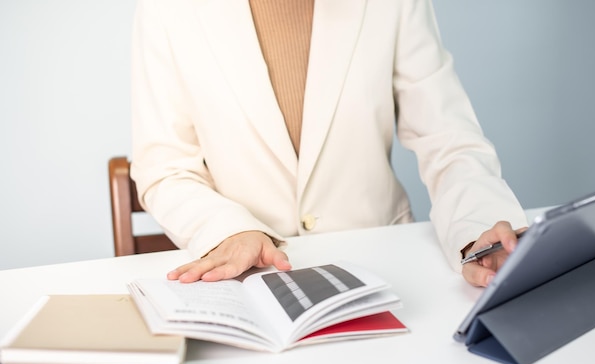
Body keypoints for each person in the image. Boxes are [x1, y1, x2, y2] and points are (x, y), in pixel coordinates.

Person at [130, 0, 528, 288]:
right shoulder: (167, 9)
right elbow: (163, 168)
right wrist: (229, 231)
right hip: (248, 282)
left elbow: (448, 139)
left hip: (387, 272)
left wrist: (477, 229)